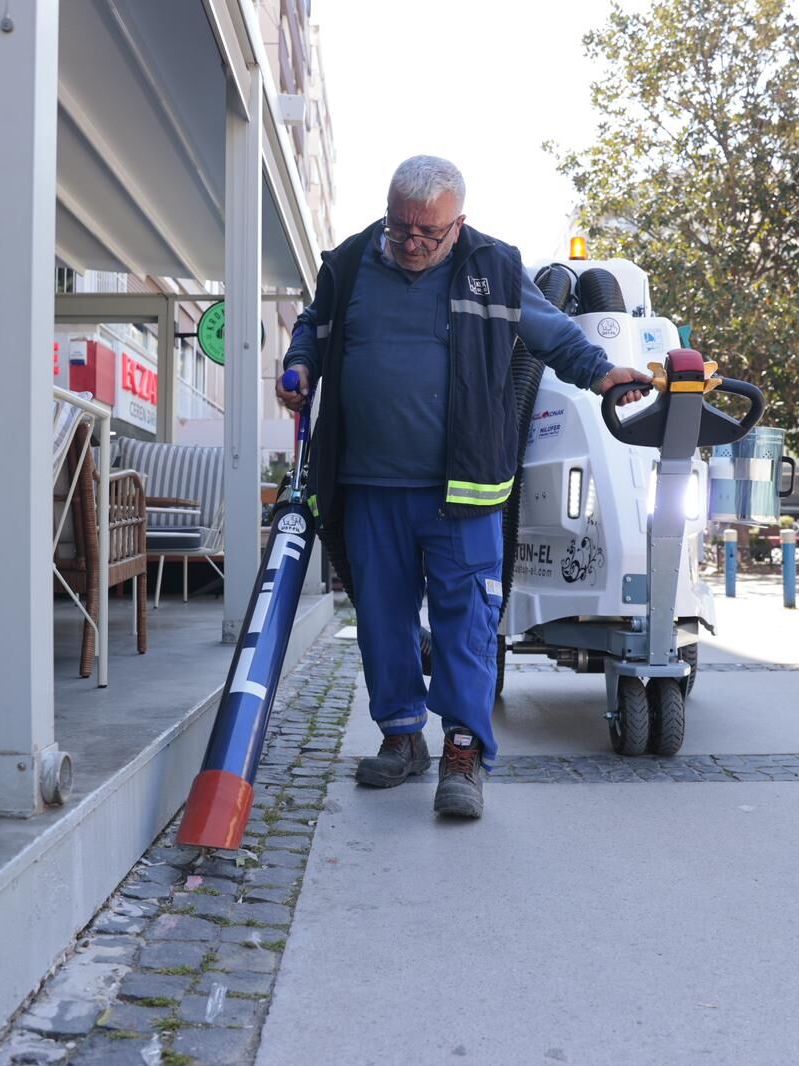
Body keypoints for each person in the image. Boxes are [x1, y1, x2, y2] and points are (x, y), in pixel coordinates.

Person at [276, 155, 652, 819]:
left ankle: (462, 752)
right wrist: (300, 363)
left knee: (467, 627)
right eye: (402, 229)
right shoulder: (350, 263)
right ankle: (400, 737)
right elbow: (312, 324)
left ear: (459, 224)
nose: (413, 244)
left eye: (429, 233)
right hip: (368, 485)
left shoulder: (494, 267)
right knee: (383, 624)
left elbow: (553, 334)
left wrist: (602, 374)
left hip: (466, 491)